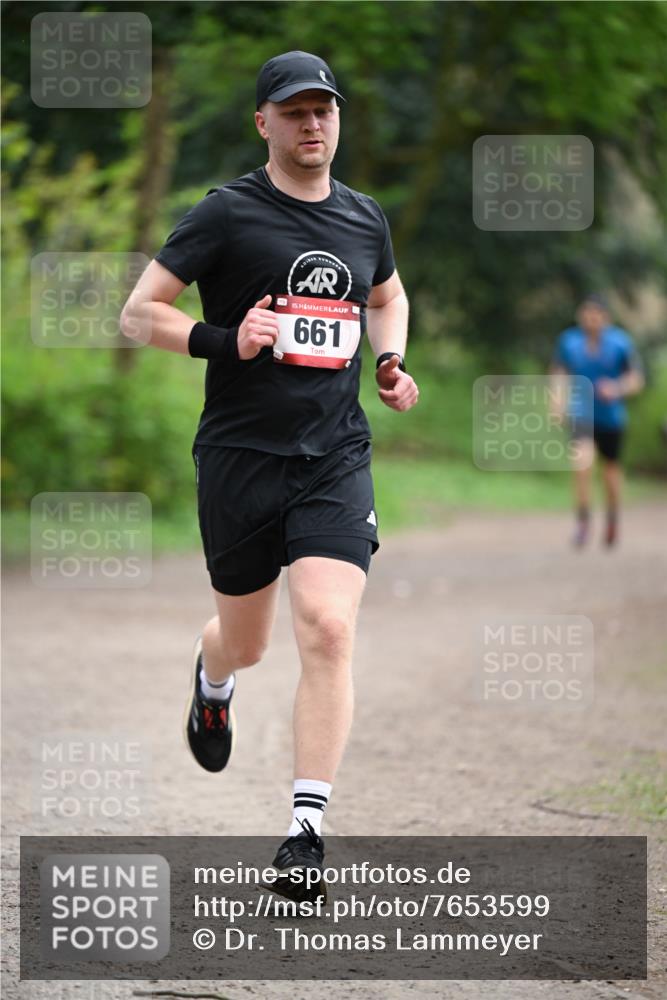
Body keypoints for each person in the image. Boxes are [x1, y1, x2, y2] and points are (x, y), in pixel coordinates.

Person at [120, 50, 419, 901]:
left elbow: (386, 296)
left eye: (324, 109)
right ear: (264, 123)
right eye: (294, 111)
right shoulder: (225, 213)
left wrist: (390, 358)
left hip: (334, 458)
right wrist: (227, 340)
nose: (312, 123)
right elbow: (139, 313)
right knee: (245, 641)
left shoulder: (365, 219)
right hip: (239, 459)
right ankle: (212, 681)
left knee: (326, 628)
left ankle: (305, 832)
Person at [550, 293, 643, 548]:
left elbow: (636, 380)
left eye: (596, 315)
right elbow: (559, 373)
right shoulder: (568, 342)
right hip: (581, 413)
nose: (591, 320)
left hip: (611, 418)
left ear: (606, 318)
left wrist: (616, 388)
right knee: (581, 464)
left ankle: (612, 519)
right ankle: (583, 522)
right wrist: (556, 402)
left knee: (610, 474)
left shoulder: (621, 344)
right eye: (586, 314)